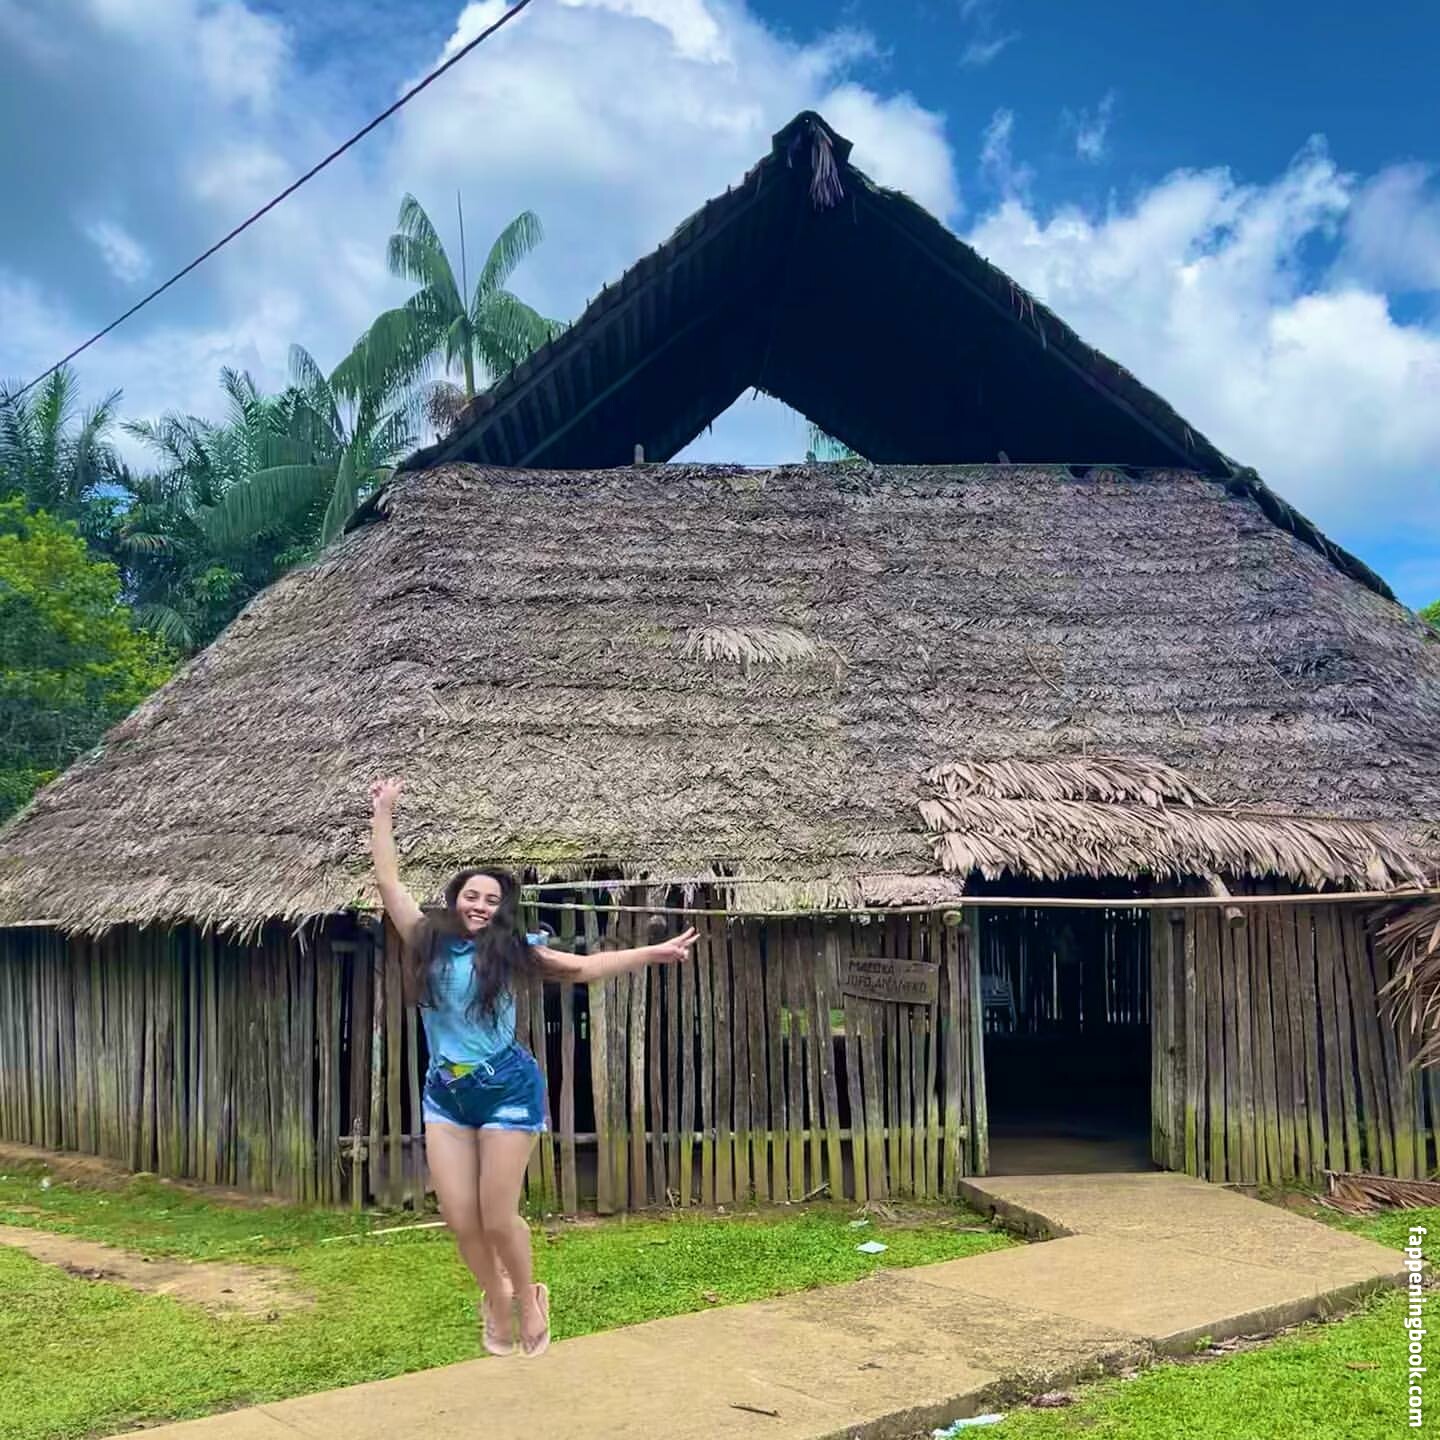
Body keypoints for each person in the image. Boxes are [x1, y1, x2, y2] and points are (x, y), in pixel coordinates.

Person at [368, 777, 697, 1358]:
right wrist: (384, 812)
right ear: (455, 898)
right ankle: (496, 1298)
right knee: (461, 1218)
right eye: (471, 895)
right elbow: (389, 881)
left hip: (507, 1090)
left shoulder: (514, 953)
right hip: (446, 1094)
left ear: (502, 910)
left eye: (491, 900)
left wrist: (654, 952)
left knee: (498, 1217)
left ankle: (528, 1296)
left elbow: (584, 969)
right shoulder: (425, 939)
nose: (479, 906)